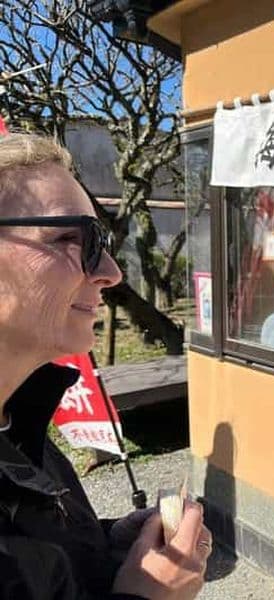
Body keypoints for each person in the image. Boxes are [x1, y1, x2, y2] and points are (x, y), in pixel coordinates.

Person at [0, 132, 210, 599]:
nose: (111, 272)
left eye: (100, 240)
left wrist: (109, 544)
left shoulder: (21, 421)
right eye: (70, 238)